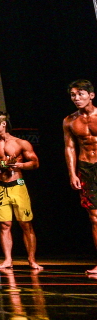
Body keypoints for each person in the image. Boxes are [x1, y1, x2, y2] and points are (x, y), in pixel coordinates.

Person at [0, 110, 41, 271]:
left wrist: (19, 165)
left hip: (18, 185)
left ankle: (31, 260)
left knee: (25, 224)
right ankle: (8, 259)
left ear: (3, 124)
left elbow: (35, 163)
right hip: (0, 186)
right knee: (4, 225)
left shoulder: (21, 143)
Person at [64, 79, 97, 277]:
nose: (76, 98)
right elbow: (69, 147)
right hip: (86, 168)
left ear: (91, 95)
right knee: (94, 218)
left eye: (81, 94)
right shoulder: (69, 120)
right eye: (73, 95)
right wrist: (72, 173)